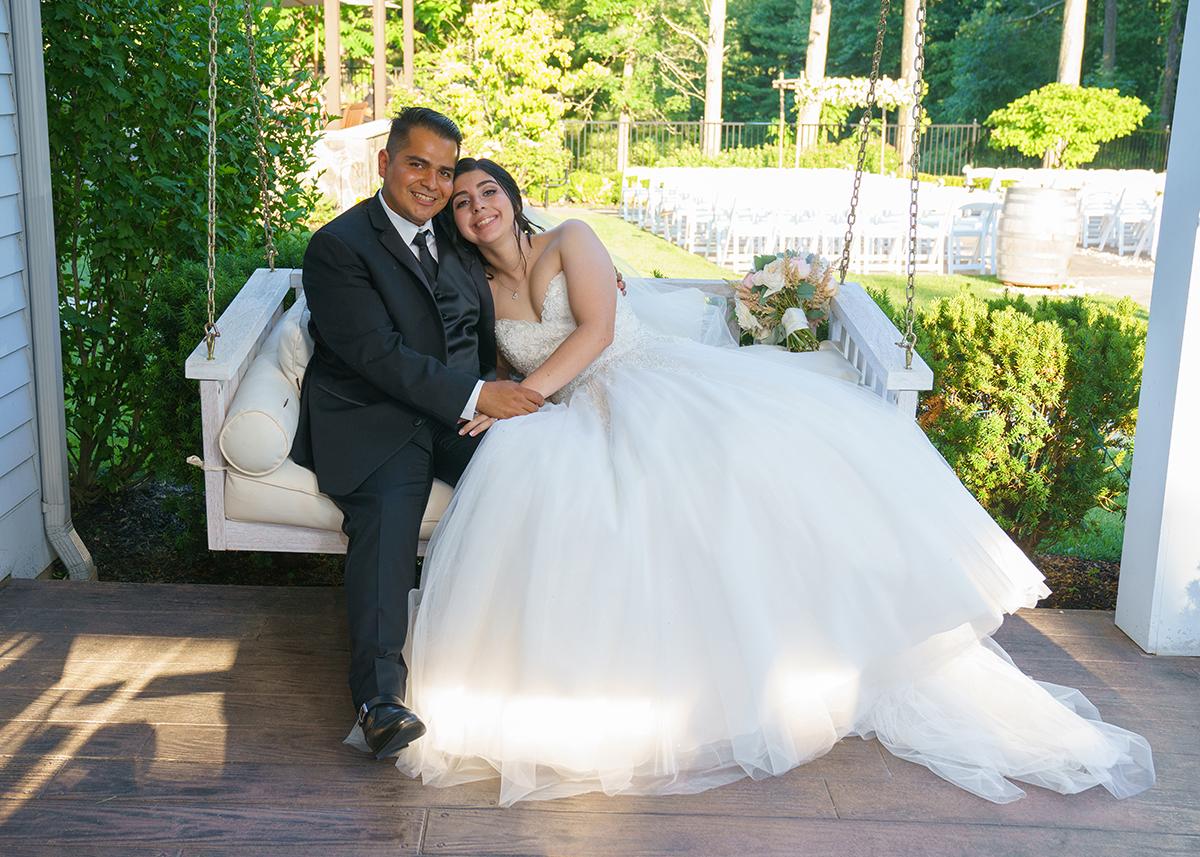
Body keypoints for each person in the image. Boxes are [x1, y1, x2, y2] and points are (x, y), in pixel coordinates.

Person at [389, 158, 1155, 807]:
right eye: (463, 203)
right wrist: (501, 398)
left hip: (651, 379)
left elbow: (598, 329)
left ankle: (789, 659)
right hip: (577, 408)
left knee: (719, 475)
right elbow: (497, 363)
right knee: (578, 498)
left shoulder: (570, 238)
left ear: (511, 196)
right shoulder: (479, 292)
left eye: (488, 191)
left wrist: (521, 396)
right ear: (454, 223)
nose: (479, 207)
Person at [292, 109, 547, 760]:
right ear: (385, 163)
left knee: (544, 473)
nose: (432, 183)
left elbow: (511, 247)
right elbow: (376, 355)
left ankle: (534, 658)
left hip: (459, 413)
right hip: (375, 413)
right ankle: (380, 702)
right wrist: (479, 394)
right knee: (387, 520)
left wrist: (572, 273)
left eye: (444, 170)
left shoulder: (453, 232)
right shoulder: (339, 247)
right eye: (417, 165)